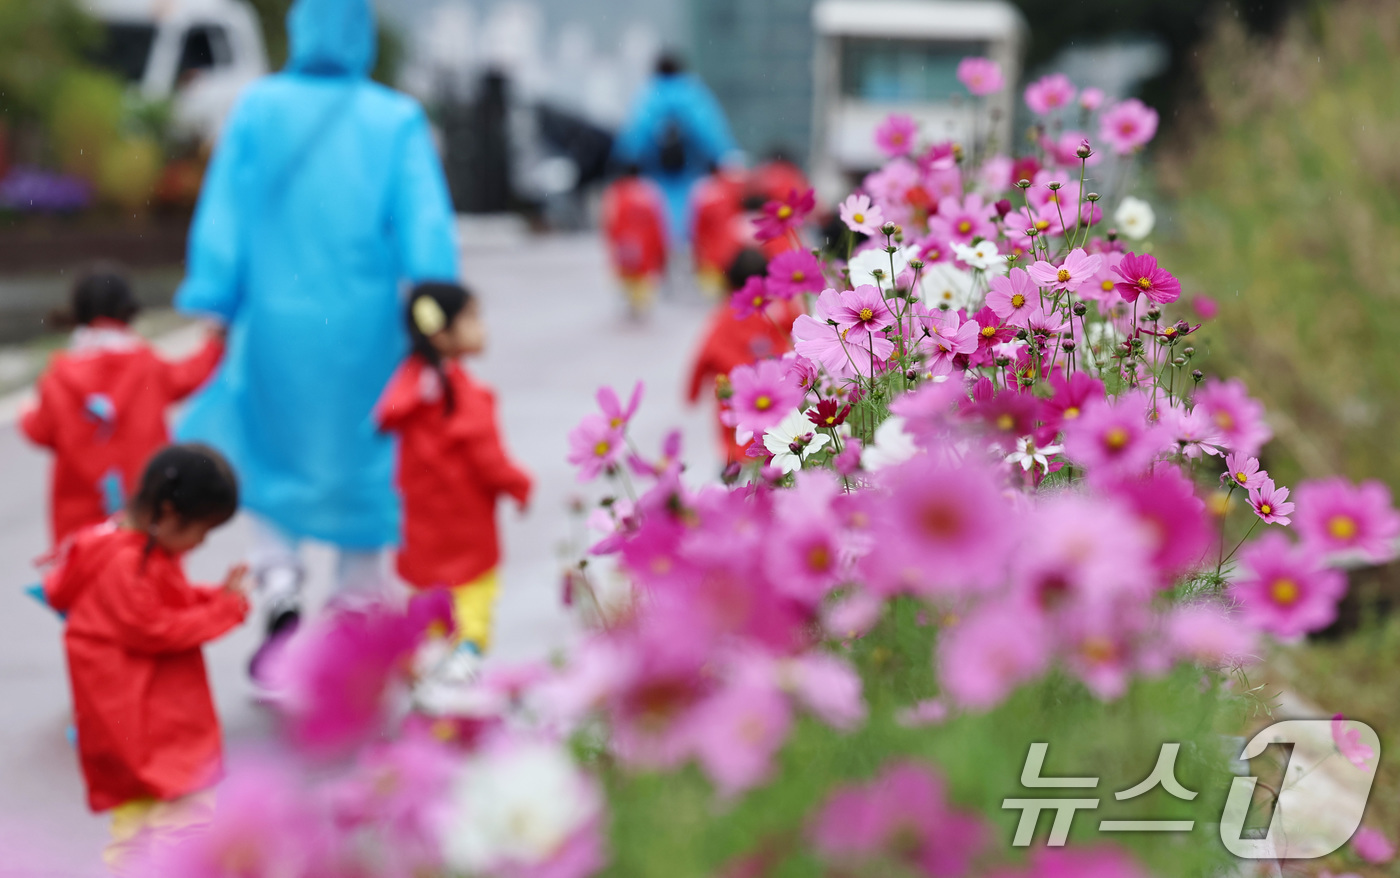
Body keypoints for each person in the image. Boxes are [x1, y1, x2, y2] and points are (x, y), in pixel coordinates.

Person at [172, 0, 460, 674]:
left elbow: (224, 216)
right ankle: (355, 605)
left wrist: (215, 301)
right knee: (365, 464)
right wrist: (436, 305)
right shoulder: (395, 119)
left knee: (269, 454)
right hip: (364, 331)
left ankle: (278, 584)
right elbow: (426, 225)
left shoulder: (256, 110)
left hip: (273, 325)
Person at [41, 444, 248, 874]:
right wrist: (225, 610)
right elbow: (155, 627)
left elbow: (162, 603)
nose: (199, 543)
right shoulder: (127, 564)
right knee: (185, 816)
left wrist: (213, 597)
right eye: (202, 531)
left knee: (139, 821)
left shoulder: (118, 546)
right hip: (151, 725)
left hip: (122, 725)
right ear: (170, 514)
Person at [376, 283, 532, 682]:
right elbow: (487, 458)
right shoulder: (460, 392)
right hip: (468, 527)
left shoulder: (410, 383)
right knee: (473, 603)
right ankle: (462, 665)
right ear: (442, 334)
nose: (481, 328)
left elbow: (386, 416)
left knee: (429, 603)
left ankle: (424, 662)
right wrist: (518, 484)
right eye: (473, 318)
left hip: (423, 526)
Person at [20, 267, 224, 547]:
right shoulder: (145, 365)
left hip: (80, 528)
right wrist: (215, 341)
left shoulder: (59, 376)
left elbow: (40, 431)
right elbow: (190, 376)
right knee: (146, 580)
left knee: (88, 586)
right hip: (145, 512)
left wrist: (24, 413)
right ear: (128, 309)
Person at [686, 249, 802, 462]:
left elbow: (704, 356)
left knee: (737, 460)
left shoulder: (725, 316)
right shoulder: (782, 309)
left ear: (730, 281)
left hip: (738, 410)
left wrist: (692, 394)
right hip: (780, 405)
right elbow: (800, 341)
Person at [612, 53, 739, 242]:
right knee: (690, 211)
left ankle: (666, 246)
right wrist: (721, 156)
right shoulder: (693, 93)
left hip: (657, 170)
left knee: (661, 211)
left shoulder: (649, 94)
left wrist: (629, 160)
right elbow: (709, 129)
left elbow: (635, 133)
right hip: (691, 168)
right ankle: (686, 245)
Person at [599, 164, 669, 317]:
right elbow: (658, 221)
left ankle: (632, 305)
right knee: (643, 274)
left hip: (625, 240)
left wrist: (611, 241)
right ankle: (640, 305)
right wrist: (660, 245)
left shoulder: (617, 191)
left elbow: (609, 220)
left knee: (628, 273)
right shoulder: (650, 191)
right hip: (646, 241)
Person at [689, 162, 745, 298]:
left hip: (711, 256)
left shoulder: (704, 194)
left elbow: (698, 229)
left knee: (713, 302)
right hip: (730, 255)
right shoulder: (734, 193)